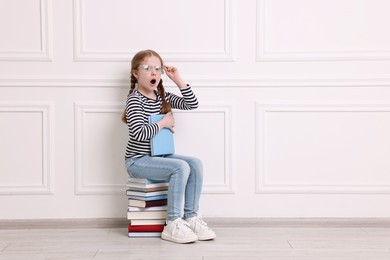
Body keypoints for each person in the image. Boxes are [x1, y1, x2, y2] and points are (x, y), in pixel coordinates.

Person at [122, 49, 216, 243]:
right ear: (136, 73)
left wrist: (178, 80)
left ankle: (190, 217)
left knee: (195, 164)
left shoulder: (162, 97)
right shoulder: (134, 101)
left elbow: (192, 103)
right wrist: (162, 124)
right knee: (181, 167)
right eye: (147, 68)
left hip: (160, 156)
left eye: (157, 68)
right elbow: (139, 133)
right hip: (137, 161)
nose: (154, 72)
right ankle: (173, 223)